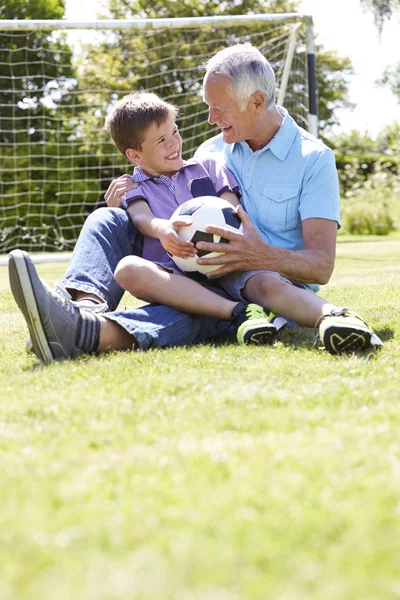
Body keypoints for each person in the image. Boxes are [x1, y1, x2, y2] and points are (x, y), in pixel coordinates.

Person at [8, 43, 383, 363]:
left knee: (187, 313)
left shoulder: (313, 160)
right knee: (108, 218)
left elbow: (321, 267)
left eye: (218, 108)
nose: (208, 119)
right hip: (185, 264)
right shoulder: (211, 150)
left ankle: (81, 333)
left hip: (254, 286)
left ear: (255, 102)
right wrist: (129, 194)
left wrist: (258, 255)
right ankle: (82, 307)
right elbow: (162, 196)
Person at [105, 91, 287, 345]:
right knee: (129, 270)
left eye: (175, 133)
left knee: (264, 284)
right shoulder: (134, 187)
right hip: (176, 283)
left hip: (225, 269)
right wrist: (164, 229)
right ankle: (238, 313)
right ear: (135, 155)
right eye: (161, 141)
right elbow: (141, 217)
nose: (174, 144)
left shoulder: (207, 167)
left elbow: (233, 211)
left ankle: (249, 312)